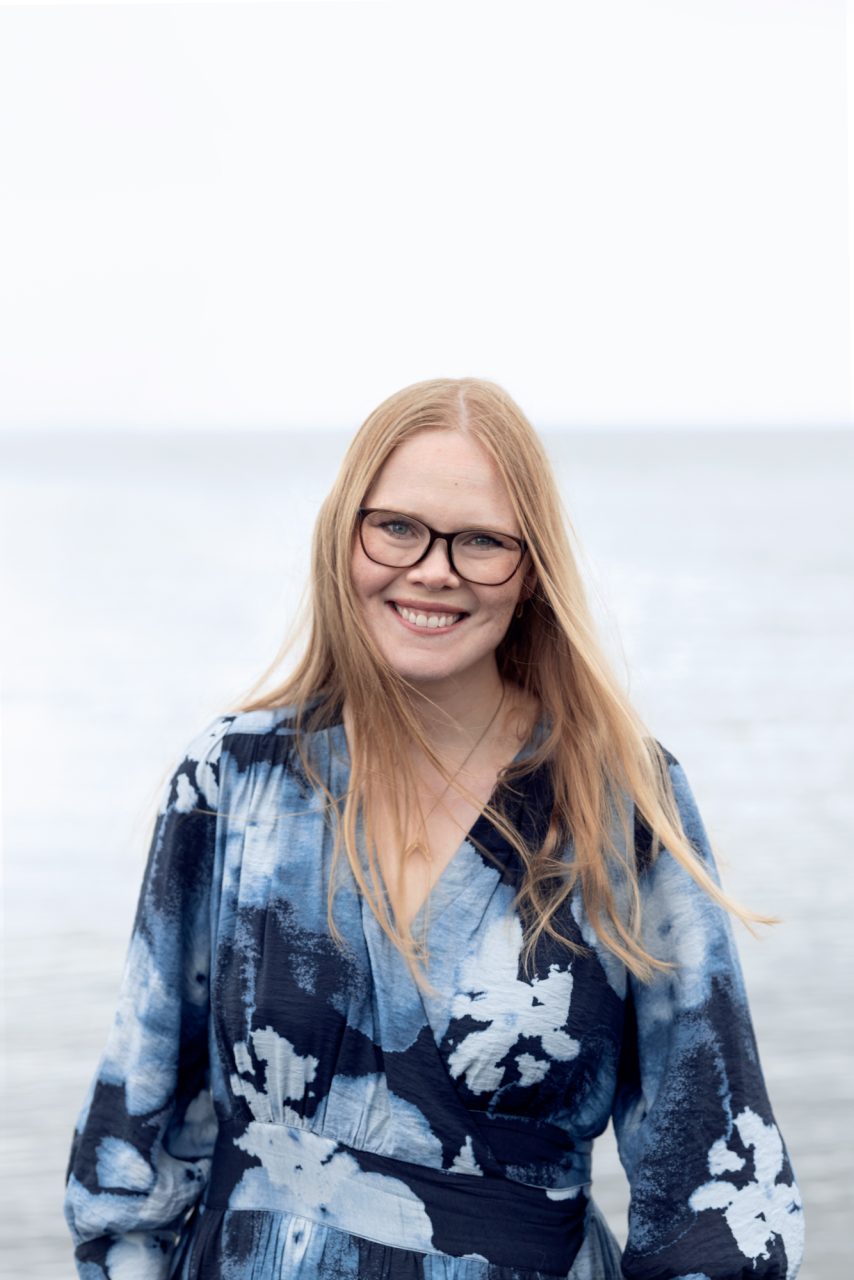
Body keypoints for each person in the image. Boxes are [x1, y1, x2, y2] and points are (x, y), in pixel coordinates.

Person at [63, 377, 804, 1279]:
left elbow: (715, 1188)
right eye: (397, 527)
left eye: (482, 541)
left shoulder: (619, 800)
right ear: (345, 539)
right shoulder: (234, 779)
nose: (433, 569)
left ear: (531, 571)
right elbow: (133, 1140)